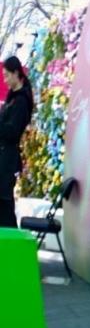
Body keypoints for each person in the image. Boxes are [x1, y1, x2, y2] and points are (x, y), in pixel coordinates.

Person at [0, 56, 34, 228]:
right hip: (3, 156)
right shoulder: (11, 98)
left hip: (7, 161)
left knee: (5, 204)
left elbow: (12, 132)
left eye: (7, 75)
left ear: (16, 73)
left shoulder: (21, 101)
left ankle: (11, 239)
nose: (5, 80)